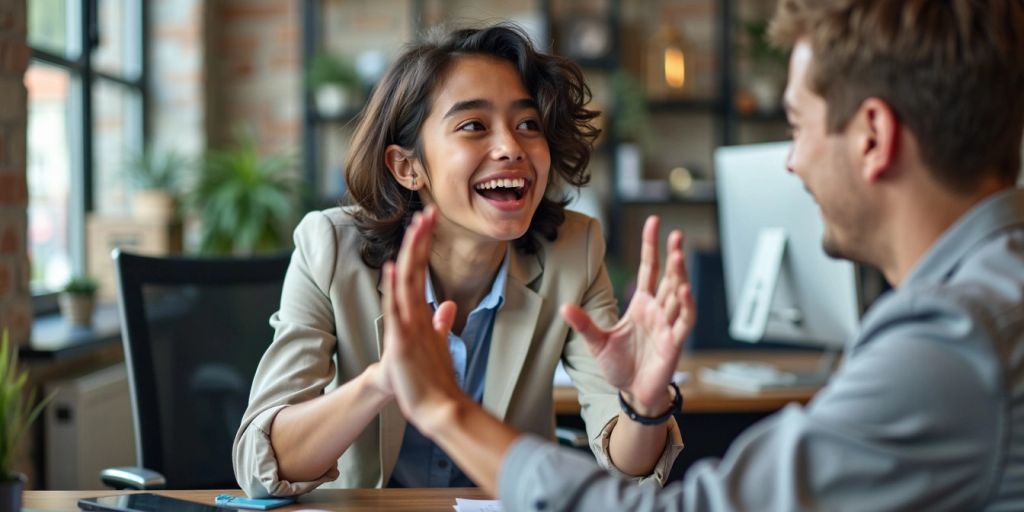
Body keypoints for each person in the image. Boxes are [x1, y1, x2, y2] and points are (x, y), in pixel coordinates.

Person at [380, 1, 1024, 510]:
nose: (793, 162)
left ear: (874, 137)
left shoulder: (951, 340)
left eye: (796, 127)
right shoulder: (990, 296)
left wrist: (444, 409)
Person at [232, 23, 690, 497]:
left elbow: (627, 469)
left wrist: (644, 404)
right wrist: (381, 381)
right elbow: (260, 465)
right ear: (408, 167)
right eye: (473, 125)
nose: (511, 147)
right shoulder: (329, 247)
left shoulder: (575, 249)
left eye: (528, 124)